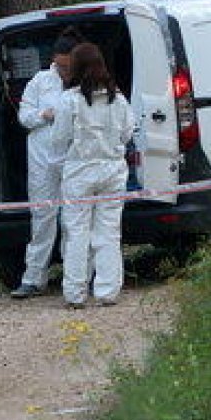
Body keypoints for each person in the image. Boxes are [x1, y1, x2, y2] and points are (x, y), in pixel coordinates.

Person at [50, 43, 134, 308]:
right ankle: (107, 291)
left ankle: (75, 293)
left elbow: (58, 139)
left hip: (80, 172)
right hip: (112, 170)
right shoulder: (118, 99)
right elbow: (128, 133)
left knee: (77, 232)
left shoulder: (70, 100)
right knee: (109, 231)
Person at [9, 27, 81, 299]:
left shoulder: (85, 83)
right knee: (42, 216)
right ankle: (33, 277)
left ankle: (75, 277)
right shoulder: (40, 81)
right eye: (60, 65)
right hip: (41, 159)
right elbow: (24, 116)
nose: (64, 71)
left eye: (69, 66)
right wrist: (45, 114)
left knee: (74, 218)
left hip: (73, 158)